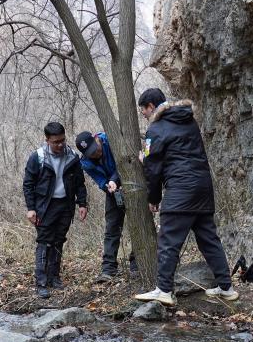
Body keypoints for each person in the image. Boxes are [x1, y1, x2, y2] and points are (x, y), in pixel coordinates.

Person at [133, 88, 238, 306]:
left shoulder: (156, 128)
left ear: (151, 107)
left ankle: (163, 290)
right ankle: (226, 287)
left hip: (180, 190)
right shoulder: (189, 121)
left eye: (143, 110)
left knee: (168, 241)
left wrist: (154, 198)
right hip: (203, 188)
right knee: (209, 239)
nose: (143, 114)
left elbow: (154, 168)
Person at [23, 122, 88, 298]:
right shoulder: (37, 157)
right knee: (44, 242)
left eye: (62, 140)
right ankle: (41, 282)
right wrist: (31, 209)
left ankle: (54, 277)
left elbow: (80, 183)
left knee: (59, 241)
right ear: (47, 140)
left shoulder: (72, 157)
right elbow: (28, 184)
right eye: (55, 142)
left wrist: (82, 204)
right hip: (45, 206)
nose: (60, 145)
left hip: (66, 205)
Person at [75, 130, 138, 281]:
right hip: (113, 192)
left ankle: (137, 263)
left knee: (138, 224)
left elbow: (124, 162)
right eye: (91, 153)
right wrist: (107, 186)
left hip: (131, 182)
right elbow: (99, 180)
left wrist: (114, 179)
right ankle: (109, 268)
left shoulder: (111, 140)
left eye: (95, 149)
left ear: (97, 139)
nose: (95, 153)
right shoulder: (85, 163)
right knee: (112, 228)